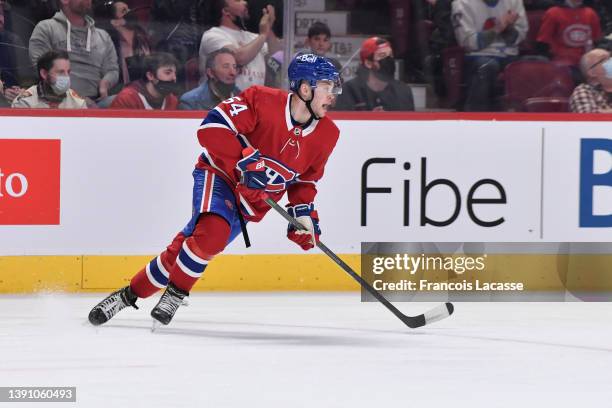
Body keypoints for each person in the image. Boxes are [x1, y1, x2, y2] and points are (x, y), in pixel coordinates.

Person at [88, 53, 342, 327]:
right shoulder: (261, 100)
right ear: (305, 88)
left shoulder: (328, 134)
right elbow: (210, 128)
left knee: (184, 251)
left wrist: (302, 214)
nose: (333, 95)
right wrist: (244, 159)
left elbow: (305, 181)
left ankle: (127, 296)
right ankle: (176, 293)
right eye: (327, 87)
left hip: (252, 204)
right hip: (220, 175)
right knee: (213, 236)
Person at [28, 0, 119, 103]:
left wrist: (105, 84)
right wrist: (77, 99)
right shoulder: (46, 28)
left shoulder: (103, 36)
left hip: (98, 102)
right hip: (59, 102)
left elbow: (112, 70)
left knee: (132, 100)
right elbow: (40, 67)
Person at [452, 0, 528, 111]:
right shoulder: (462, 3)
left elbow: (517, 38)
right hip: (478, 55)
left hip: (510, 55)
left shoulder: (514, 1)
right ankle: (475, 117)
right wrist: (498, 28)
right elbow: (469, 43)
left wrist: (508, 27)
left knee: (537, 63)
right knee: (488, 66)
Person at [199, 0, 282, 91]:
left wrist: (269, 28)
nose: (245, 2)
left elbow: (276, 54)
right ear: (226, 11)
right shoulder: (212, 35)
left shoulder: (253, 37)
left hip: (253, 102)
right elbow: (238, 58)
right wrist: (263, 35)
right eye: (238, 0)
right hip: (223, 102)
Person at [335, 37, 414, 111]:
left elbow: (411, 122)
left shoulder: (403, 90)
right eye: (382, 55)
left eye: (390, 55)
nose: (389, 59)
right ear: (368, 63)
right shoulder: (349, 89)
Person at [536, 0, 601, 68]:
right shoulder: (553, 13)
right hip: (561, 63)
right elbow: (543, 41)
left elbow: (596, 40)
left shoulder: (591, 13)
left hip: (587, 63)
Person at [12, 50, 87, 109]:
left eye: (68, 72)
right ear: (44, 74)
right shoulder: (25, 103)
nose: (67, 77)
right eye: (61, 72)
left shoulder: (77, 103)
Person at [110, 52, 179, 110]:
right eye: (167, 73)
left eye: (175, 73)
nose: (174, 78)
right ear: (150, 76)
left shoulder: (172, 100)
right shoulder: (126, 99)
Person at [105, 1, 151, 85]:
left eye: (129, 9)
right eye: (124, 11)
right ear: (114, 21)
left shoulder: (142, 39)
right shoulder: (112, 44)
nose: (130, 12)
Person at [570, 48, 612, 112]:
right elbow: (588, 117)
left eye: (610, 57)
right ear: (592, 72)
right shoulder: (584, 90)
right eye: (604, 59)